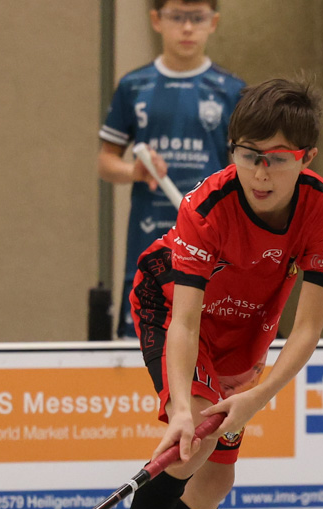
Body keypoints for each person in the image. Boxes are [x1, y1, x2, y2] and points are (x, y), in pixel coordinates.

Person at [81, 78, 323, 509]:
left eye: (278, 159)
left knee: (215, 480)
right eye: (249, 155)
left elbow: (307, 330)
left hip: (245, 333)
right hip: (172, 309)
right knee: (193, 441)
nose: (261, 172)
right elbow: (183, 321)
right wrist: (182, 407)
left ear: (306, 159)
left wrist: (258, 394)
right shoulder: (205, 207)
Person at [99, 0, 243, 339]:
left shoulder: (232, 91)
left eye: (197, 18)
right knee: (145, 339)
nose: (187, 27)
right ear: (156, 20)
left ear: (214, 22)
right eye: (177, 17)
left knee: (205, 338)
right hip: (148, 233)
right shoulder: (133, 86)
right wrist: (134, 171)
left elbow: (244, 170)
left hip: (208, 236)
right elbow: (106, 161)